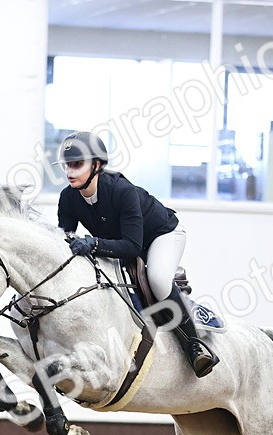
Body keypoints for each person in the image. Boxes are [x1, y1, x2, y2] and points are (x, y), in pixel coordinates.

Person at [55, 131, 218, 378]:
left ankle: (194, 345)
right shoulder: (68, 197)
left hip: (162, 235)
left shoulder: (122, 191)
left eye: (77, 165)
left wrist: (93, 244)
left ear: (97, 165)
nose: (70, 172)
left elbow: (132, 246)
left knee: (158, 278)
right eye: (68, 165)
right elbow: (64, 238)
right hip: (123, 241)